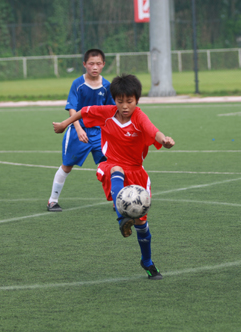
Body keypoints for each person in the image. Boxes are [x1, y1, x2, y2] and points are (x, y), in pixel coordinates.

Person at [53, 74, 175, 280]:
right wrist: (65, 124)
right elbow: (84, 111)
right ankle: (122, 217)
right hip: (112, 164)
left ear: (137, 100)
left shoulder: (139, 117)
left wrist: (165, 140)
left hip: (136, 172)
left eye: (130, 101)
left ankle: (147, 261)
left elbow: (153, 131)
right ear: (114, 100)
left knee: (142, 226)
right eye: (120, 101)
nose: (125, 106)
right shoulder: (107, 113)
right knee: (115, 170)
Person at [47, 49, 115, 212]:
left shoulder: (107, 86)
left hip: (100, 133)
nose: (95, 67)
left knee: (109, 165)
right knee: (67, 166)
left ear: (103, 65)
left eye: (98, 63)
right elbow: (72, 108)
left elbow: (111, 109)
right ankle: (52, 200)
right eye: (91, 64)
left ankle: (117, 201)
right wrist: (78, 129)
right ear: (84, 64)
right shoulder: (78, 84)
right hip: (79, 131)